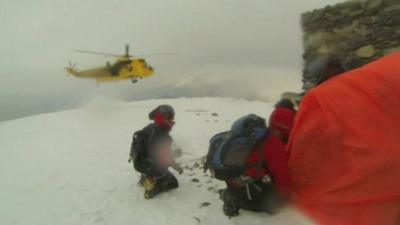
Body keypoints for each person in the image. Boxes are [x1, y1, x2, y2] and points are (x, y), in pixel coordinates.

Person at [219, 99, 296, 217]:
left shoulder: (259, 137)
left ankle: (233, 192)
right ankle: (233, 198)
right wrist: (286, 196)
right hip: (247, 184)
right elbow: (282, 172)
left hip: (234, 178)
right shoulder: (273, 142)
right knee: (275, 206)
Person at [130, 104, 183, 199]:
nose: (171, 119)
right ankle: (151, 188)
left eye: (172, 116)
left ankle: (146, 178)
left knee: (163, 171)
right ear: (160, 117)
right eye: (168, 116)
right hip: (149, 164)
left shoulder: (154, 128)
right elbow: (160, 154)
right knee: (172, 183)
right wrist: (174, 164)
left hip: (142, 163)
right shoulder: (158, 132)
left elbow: (160, 152)